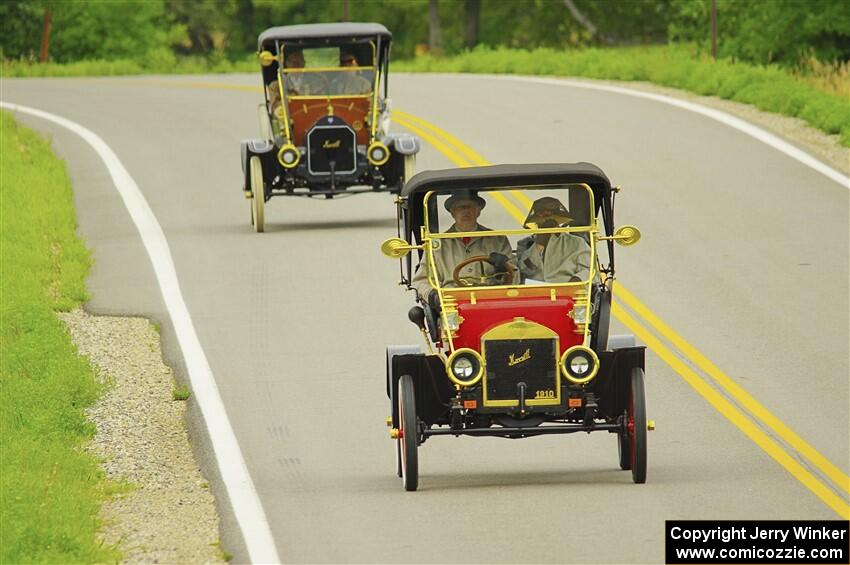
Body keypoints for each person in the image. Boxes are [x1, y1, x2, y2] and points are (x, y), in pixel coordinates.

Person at [411, 190, 515, 305]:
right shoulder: (438, 244)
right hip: (451, 304)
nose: (465, 212)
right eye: (460, 208)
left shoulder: (497, 240)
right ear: (452, 212)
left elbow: (516, 275)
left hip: (492, 300)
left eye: (470, 207)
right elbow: (422, 280)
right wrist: (433, 295)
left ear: (478, 211)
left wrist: (503, 269)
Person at [517, 196, 590, 283]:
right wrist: (539, 245)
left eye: (549, 216)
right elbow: (525, 270)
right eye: (543, 217)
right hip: (535, 292)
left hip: (566, 291)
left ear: (558, 219)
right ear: (536, 221)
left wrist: (576, 281)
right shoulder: (525, 244)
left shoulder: (577, 243)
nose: (546, 220)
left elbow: (589, 270)